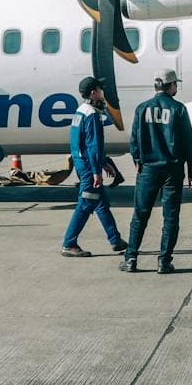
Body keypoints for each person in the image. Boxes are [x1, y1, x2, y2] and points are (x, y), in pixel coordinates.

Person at [121, 70, 192, 274]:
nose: (176, 88)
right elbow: (188, 142)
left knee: (140, 215)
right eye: (175, 84)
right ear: (170, 85)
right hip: (172, 170)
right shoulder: (178, 109)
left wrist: (137, 159)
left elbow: (134, 139)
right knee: (171, 217)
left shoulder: (142, 109)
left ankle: (130, 258)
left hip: (148, 169)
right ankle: (164, 261)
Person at [61, 77, 127, 257]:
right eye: (100, 90)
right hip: (89, 168)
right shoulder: (92, 115)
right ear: (93, 92)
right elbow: (93, 145)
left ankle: (115, 240)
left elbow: (82, 144)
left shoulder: (80, 111)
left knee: (101, 204)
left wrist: (103, 162)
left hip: (83, 163)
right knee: (85, 205)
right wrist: (97, 170)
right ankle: (69, 243)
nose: (102, 93)